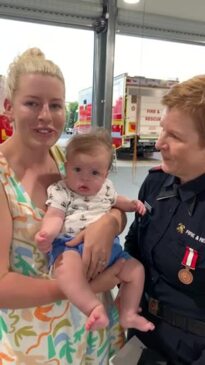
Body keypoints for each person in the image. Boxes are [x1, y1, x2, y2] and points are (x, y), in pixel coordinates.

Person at [0, 47, 127, 364]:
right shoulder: (3, 179)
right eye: (32, 103)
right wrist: (79, 287)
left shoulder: (68, 159)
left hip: (88, 333)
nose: (46, 115)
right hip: (36, 341)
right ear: (8, 107)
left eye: (55, 105)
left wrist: (108, 223)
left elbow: (110, 205)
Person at [35, 128, 155, 332]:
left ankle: (129, 313)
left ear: (106, 174)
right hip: (70, 247)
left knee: (136, 270)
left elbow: (118, 202)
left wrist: (133, 204)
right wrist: (47, 233)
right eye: (77, 170)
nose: (85, 179)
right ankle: (93, 307)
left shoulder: (106, 188)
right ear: (66, 167)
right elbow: (55, 215)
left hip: (110, 250)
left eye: (94, 173)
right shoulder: (61, 189)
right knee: (65, 268)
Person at [124, 75, 205, 365]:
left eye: (176, 137)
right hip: (141, 333)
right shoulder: (156, 185)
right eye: (162, 131)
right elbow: (133, 245)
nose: (159, 144)